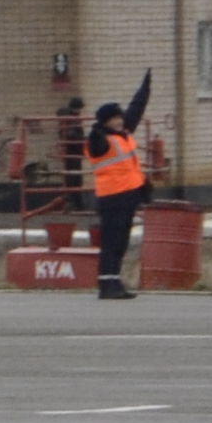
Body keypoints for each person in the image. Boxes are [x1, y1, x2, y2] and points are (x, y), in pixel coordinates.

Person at [86, 103, 158, 301]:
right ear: (105, 121)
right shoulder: (100, 139)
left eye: (120, 117)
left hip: (128, 197)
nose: (120, 121)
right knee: (111, 242)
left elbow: (135, 110)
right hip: (111, 198)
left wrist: (145, 90)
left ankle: (114, 282)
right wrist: (97, 129)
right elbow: (95, 144)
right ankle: (106, 285)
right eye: (114, 118)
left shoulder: (123, 137)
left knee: (120, 243)